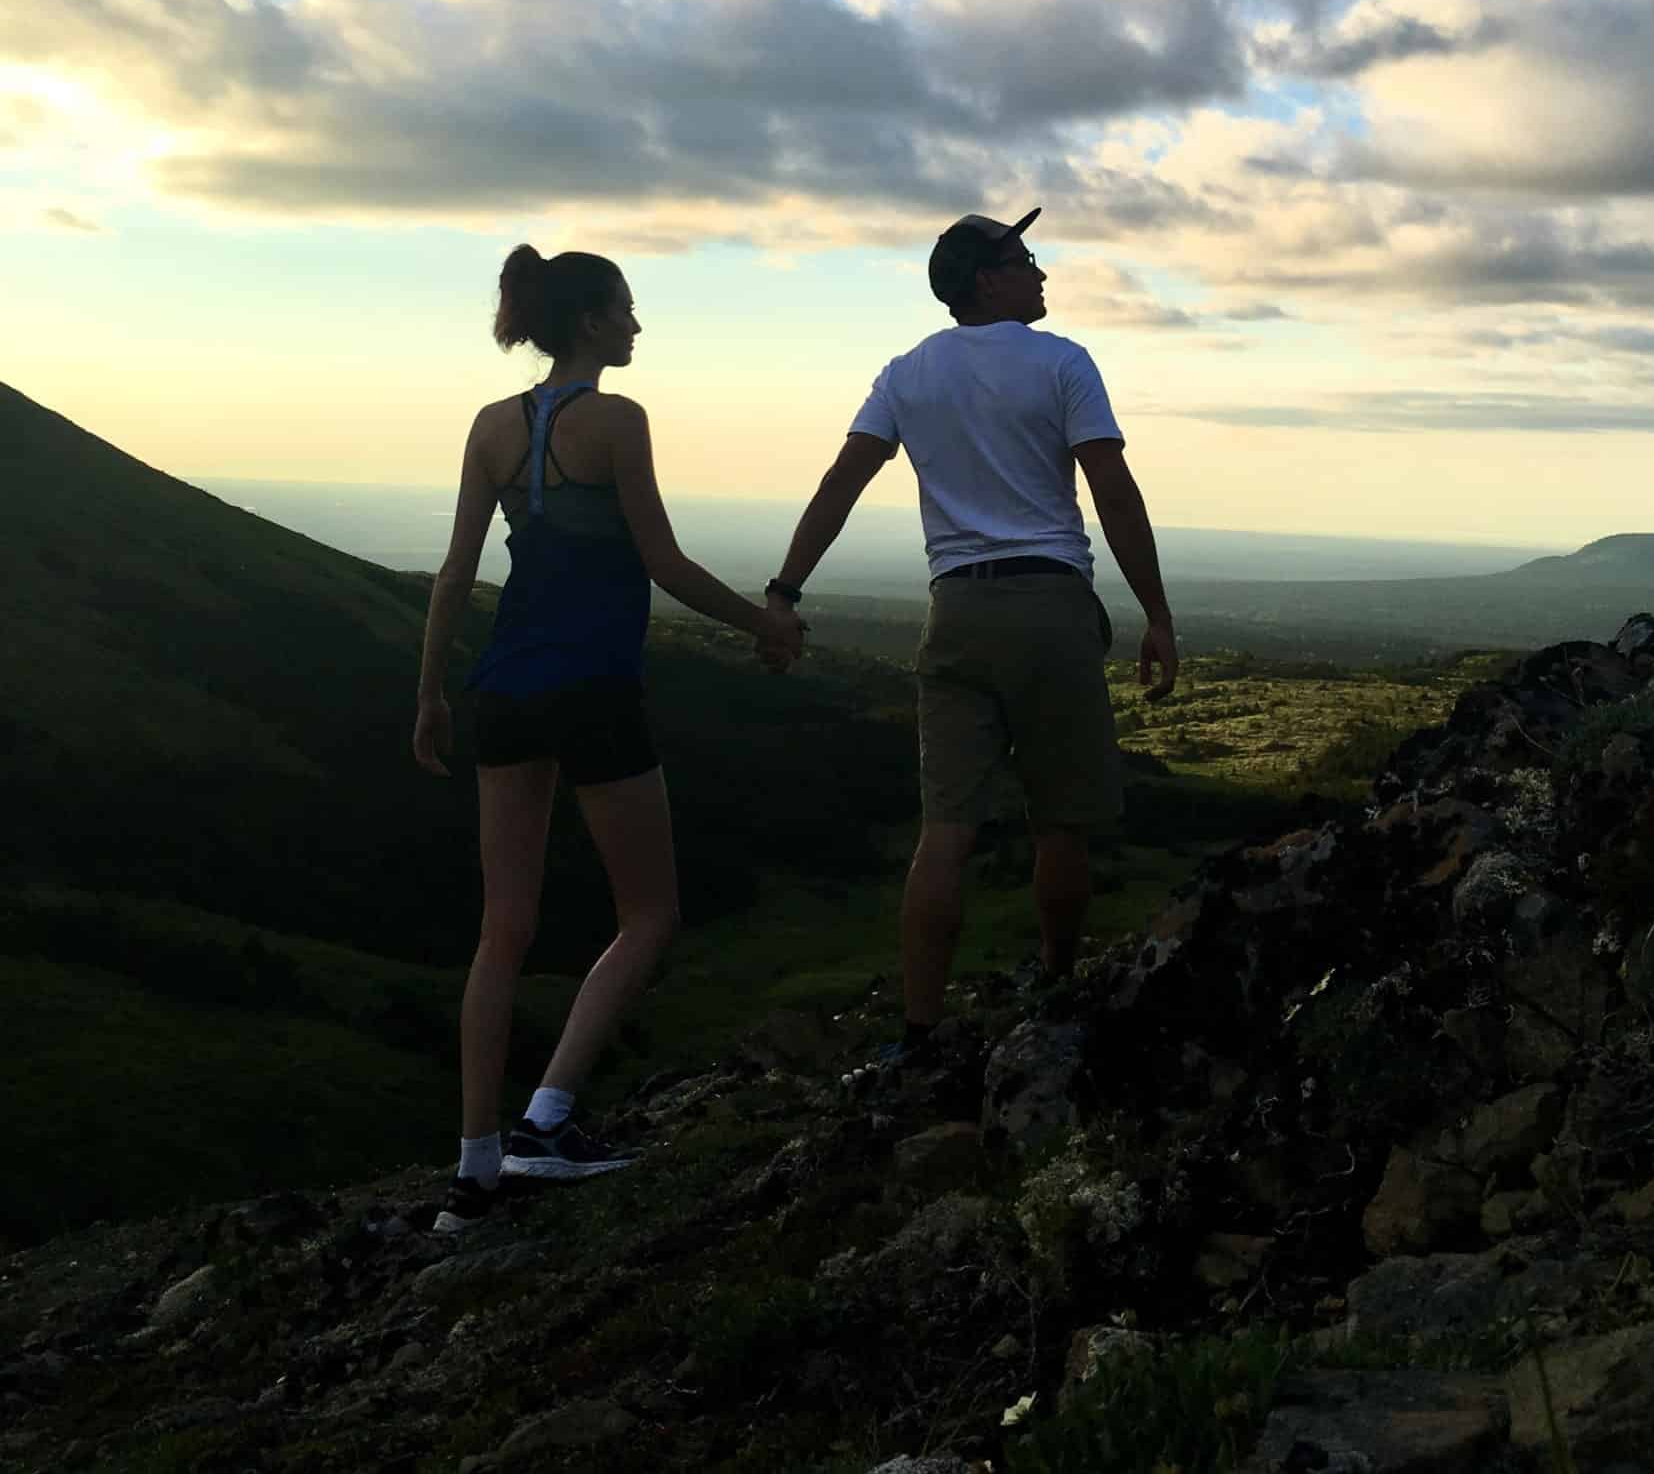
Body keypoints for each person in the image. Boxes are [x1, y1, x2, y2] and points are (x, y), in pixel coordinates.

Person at [414, 243, 806, 1233]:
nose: (636, 326)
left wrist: (428, 695)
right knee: (650, 913)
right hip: (593, 689)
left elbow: (456, 574)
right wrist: (765, 623)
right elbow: (662, 561)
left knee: (503, 927)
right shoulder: (617, 421)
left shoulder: (490, 426)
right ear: (590, 320)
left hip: (499, 689)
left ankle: (474, 1169)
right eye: (626, 310)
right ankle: (547, 1119)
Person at [767, 206, 1177, 1060]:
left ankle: (918, 1031)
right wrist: (1158, 614)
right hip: (1050, 608)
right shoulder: (1063, 363)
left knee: (944, 831)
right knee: (1060, 821)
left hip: (953, 611)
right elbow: (1114, 492)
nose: (1041, 272)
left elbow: (841, 481)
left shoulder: (907, 373)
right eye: (1025, 259)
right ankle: (1059, 983)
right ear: (986, 279)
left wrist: (784, 588)